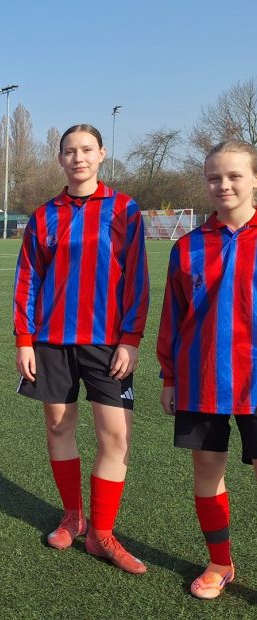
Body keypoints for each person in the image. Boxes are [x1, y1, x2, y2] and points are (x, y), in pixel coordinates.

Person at [13, 124, 149, 574]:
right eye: (69, 151)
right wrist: (24, 340)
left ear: (102, 154)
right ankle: (73, 515)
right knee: (58, 425)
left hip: (108, 343)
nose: (78, 158)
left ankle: (102, 533)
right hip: (52, 341)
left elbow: (137, 281)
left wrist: (130, 339)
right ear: (60, 159)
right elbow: (28, 282)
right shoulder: (43, 215)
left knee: (116, 436)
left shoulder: (125, 209)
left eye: (86, 150)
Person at [157, 139, 257, 599]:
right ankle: (220, 563)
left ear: (254, 179)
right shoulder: (188, 247)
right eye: (215, 177)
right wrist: (170, 377)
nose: (224, 185)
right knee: (207, 469)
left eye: (235, 175)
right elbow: (173, 318)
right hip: (203, 381)